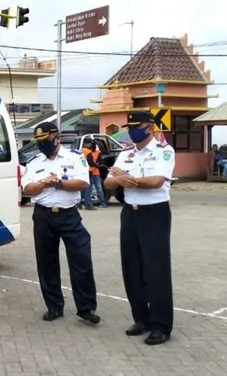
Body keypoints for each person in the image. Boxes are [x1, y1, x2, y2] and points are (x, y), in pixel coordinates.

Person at [104, 111, 175, 346]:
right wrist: (121, 179)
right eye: (129, 126)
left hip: (154, 214)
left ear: (149, 128)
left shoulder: (164, 151)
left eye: (136, 126)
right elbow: (108, 182)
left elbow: (156, 181)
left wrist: (127, 179)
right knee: (132, 269)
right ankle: (141, 319)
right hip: (130, 214)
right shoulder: (126, 154)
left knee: (156, 270)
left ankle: (161, 325)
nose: (132, 130)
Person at [21, 122, 100, 324]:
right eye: (38, 141)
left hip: (69, 216)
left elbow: (83, 183)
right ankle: (54, 306)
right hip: (43, 216)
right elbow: (26, 190)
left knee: (81, 260)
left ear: (56, 137)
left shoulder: (74, 157)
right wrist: (42, 184)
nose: (41, 145)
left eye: (45, 140)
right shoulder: (34, 162)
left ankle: (86, 308)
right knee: (47, 264)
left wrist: (58, 183)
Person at [81, 140, 107, 210]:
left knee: (92, 188)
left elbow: (99, 161)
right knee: (88, 189)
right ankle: (88, 204)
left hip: (91, 172)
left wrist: (97, 165)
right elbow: (91, 163)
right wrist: (96, 165)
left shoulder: (82, 150)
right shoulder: (88, 152)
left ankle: (81, 203)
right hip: (90, 172)